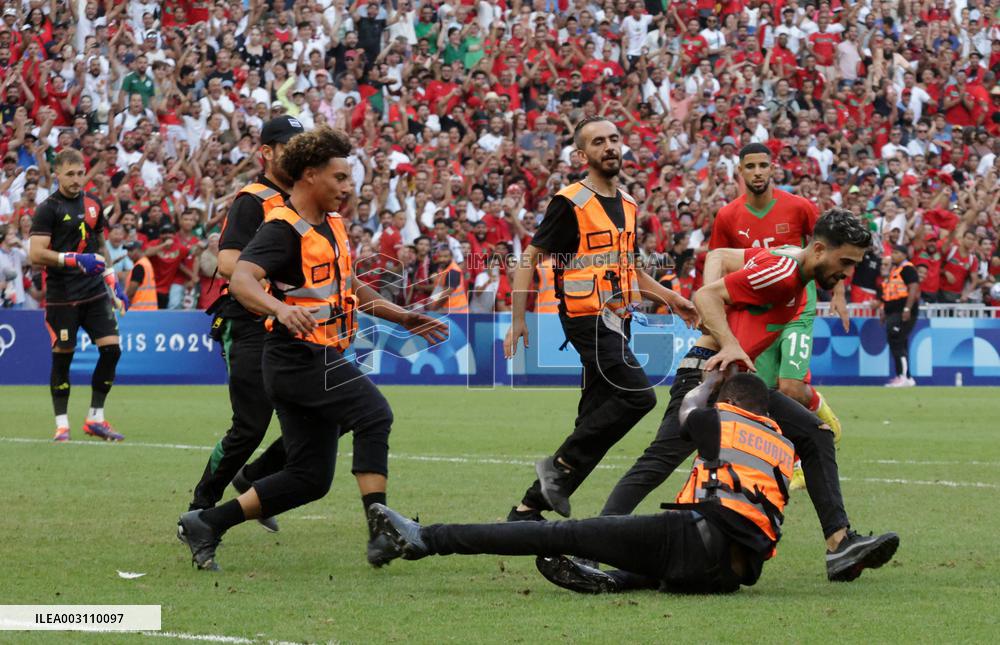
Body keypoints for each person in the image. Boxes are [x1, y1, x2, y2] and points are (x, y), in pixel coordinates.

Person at [176, 127, 449, 571]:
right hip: (297, 357)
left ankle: (206, 522)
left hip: (314, 356)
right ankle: (380, 530)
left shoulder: (332, 224)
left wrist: (400, 316)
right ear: (309, 175)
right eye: (340, 177)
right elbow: (240, 278)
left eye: (349, 178)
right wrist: (279, 309)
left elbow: (349, 284)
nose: (348, 187)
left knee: (309, 479)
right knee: (374, 414)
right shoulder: (282, 227)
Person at [367, 373, 890, 594]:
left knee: (557, 534)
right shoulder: (780, 445)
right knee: (648, 553)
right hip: (732, 573)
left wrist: (707, 381)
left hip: (694, 539)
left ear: (731, 401)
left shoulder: (722, 419)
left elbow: (688, 411)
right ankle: (613, 581)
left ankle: (423, 538)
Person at [597, 209, 900, 581]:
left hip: (738, 380)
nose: (848, 273)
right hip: (708, 373)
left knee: (815, 434)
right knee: (658, 462)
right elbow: (706, 295)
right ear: (820, 250)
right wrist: (728, 342)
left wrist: (731, 340)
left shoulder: (788, 264)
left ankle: (840, 544)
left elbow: (721, 256)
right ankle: (595, 543)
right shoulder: (782, 273)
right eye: (846, 262)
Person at [504, 116, 698, 521]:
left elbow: (631, 270)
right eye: (598, 142)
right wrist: (518, 318)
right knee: (638, 397)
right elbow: (529, 258)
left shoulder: (628, 203)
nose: (609, 146)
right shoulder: (569, 202)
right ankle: (556, 468)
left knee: (593, 417)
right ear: (582, 155)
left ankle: (527, 510)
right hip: (586, 318)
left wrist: (670, 298)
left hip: (617, 318)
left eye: (613, 138)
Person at [184, 115, 306, 533]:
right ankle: (200, 507)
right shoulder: (253, 200)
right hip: (251, 320)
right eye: (288, 147)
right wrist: (272, 285)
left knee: (325, 413)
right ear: (266, 152)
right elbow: (227, 262)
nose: (297, 154)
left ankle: (253, 481)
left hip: (292, 323)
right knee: (251, 426)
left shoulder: (302, 200)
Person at [710, 142, 849, 489]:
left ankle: (823, 423)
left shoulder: (799, 207)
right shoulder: (727, 216)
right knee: (765, 392)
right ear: (740, 172)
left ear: (773, 169)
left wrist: (839, 293)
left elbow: (830, 249)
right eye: (750, 166)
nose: (757, 172)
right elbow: (720, 260)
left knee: (790, 386)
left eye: (763, 166)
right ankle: (796, 458)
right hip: (759, 312)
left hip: (799, 305)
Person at [28, 148, 129, 442]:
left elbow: (99, 246)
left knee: (112, 350)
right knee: (64, 358)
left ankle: (95, 418)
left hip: (93, 292)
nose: (76, 179)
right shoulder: (48, 209)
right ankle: (62, 425)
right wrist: (73, 259)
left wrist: (113, 282)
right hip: (62, 296)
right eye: (70, 174)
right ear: (57, 174)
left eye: (80, 173)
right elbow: (36, 254)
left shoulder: (93, 204)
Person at [881, 245, 920, 387]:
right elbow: (889, 293)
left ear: (904, 255)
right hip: (894, 312)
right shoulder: (895, 270)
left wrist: (907, 308)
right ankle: (906, 377)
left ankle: (902, 376)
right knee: (899, 342)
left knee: (897, 340)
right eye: (892, 252)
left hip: (902, 311)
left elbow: (913, 288)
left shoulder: (907, 269)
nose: (893, 255)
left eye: (896, 253)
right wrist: (884, 310)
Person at [123, 240, 157, 310]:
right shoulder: (146, 263)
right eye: (127, 251)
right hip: (149, 309)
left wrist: (121, 305)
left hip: (139, 310)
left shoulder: (139, 266)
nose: (128, 254)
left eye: (131, 250)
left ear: (139, 250)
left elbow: (131, 292)